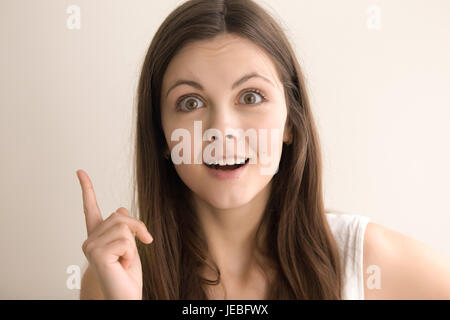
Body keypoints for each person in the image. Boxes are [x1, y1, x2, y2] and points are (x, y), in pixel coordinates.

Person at [76, 0, 450, 300]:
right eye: (190, 103)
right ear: (160, 135)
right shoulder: (114, 276)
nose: (221, 130)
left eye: (250, 97)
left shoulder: (369, 263)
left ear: (290, 122)